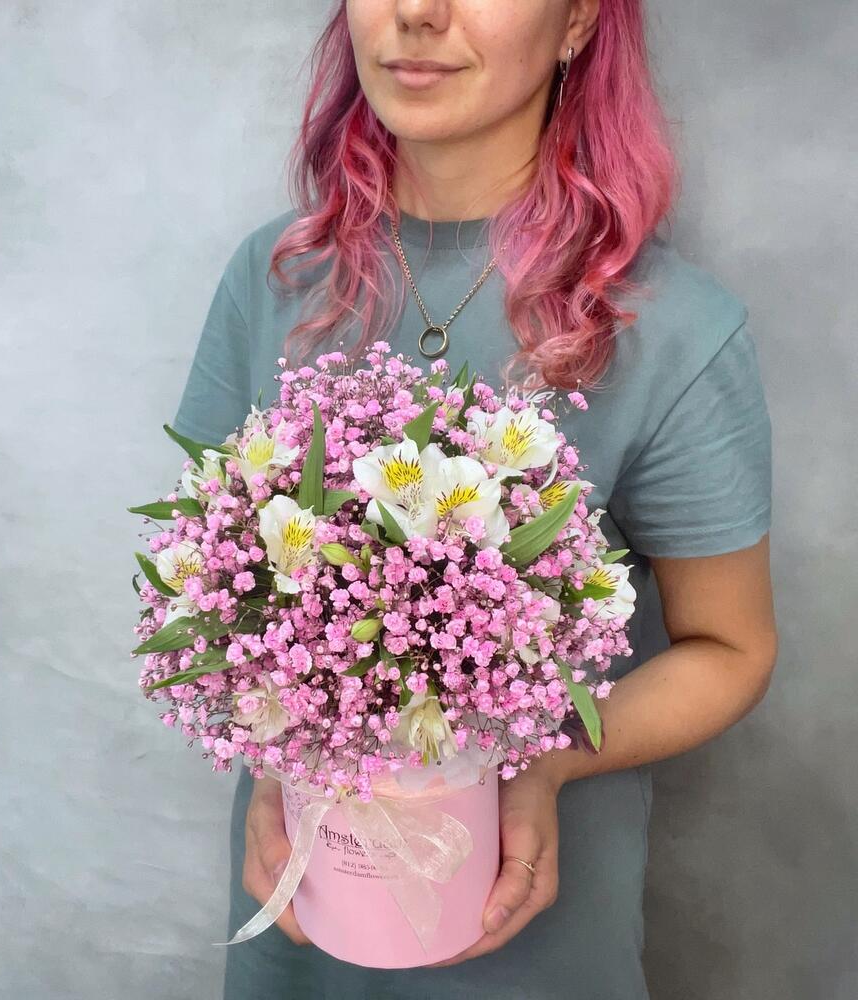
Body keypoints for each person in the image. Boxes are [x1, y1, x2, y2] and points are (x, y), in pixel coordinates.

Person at [171, 1, 778, 997]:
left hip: (521, 939)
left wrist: (540, 759)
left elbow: (731, 648)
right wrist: (276, 742)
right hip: (304, 917)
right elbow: (206, 581)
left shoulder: (672, 329)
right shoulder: (276, 276)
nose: (418, 11)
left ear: (577, 19)